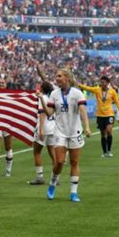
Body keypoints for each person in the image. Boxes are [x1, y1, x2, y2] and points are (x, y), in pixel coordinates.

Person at [37, 68, 92, 202]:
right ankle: (52, 184)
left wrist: (87, 127)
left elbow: (83, 111)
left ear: (67, 78)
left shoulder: (77, 93)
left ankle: (73, 193)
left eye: (59, 76)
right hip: (60, 131)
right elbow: (49, 113)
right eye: (56, 76)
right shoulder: (54, 94)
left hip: (75, 132)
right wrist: (42, 100)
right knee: (60, 161)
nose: (57, 78)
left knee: (74, 162)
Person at [78, 76, 119, 157]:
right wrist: (78, 84)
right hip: (100, 115)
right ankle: (104, 152)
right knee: (103, 134)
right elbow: (87, 88)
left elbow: (117, 103)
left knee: (109, 131)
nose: (101, 84)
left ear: (107, 83)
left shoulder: (112, 92)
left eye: (103, 82)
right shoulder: (97, 90)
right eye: (101, 82)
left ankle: (109, 150)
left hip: (109, 114)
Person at [28, 63, 56, 185]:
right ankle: (56, 178)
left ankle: (40, 177)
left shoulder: (42, 98)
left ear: (42, 89)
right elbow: (46, 80)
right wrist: (40, 71)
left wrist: (40, 130)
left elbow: (42, 114)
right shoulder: (54, 96)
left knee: (37, 151)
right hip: (53, 128)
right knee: (52, 152)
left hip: (44, 127)